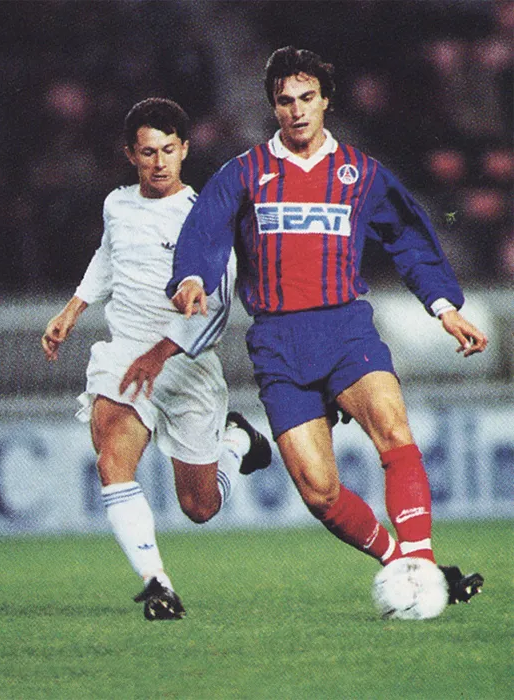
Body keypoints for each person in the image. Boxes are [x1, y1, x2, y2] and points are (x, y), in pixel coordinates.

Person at [166, 47, 487, 614]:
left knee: (393, 430)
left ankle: (420, 564)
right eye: (285, 100)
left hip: (344, 329)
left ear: (326, 101)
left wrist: (444, 307)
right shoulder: (244, 173)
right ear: (273, 107)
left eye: (307, 97)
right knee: (319, 491)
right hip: (278, 343)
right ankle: (411, 567)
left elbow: (408, 236)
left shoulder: (361, 173)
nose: (296, 110)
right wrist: (193, 276)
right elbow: (204, 229)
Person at [42, 97, 271, 622]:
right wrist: (74, 308)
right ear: (131, 155)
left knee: (200, 508)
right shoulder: (117, 205)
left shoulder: (205, 216)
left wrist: (161, 353)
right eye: (148, 152)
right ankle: (157, 584)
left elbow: (217, 310)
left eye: (169, 150)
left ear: (185, 149)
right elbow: (108, 256)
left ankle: (237, 440)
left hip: (186, 364)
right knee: (112, 460)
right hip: (126, 353)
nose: (160, 162)